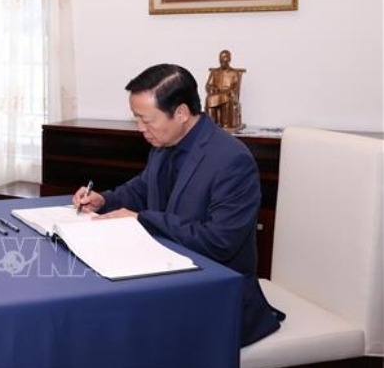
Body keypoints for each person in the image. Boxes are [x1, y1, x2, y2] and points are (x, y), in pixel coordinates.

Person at [73, 63, 283, 347]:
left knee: (126, 337)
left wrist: (142, 220)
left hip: (215, 296)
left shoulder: (232, 161)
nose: (140, 129)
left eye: (147, 120)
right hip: (166, 277)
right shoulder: (164, 142)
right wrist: (104, 200)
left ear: (182, 113)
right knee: (97, 322)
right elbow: (143, 188)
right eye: (136, 119)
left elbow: (220, 242)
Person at [205, 49, 245, 130]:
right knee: (209, 99)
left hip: (228, 95)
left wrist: (230, 91)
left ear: (229, 60)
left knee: (226, 99)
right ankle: (212, 124)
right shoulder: (215, 72)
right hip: (216, 94)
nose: (223, 62)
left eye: (225, 59)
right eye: (221, 60)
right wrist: (212, 89)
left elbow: (236, 88)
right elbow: (208, 85)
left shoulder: (234, 73)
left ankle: (225, 124)